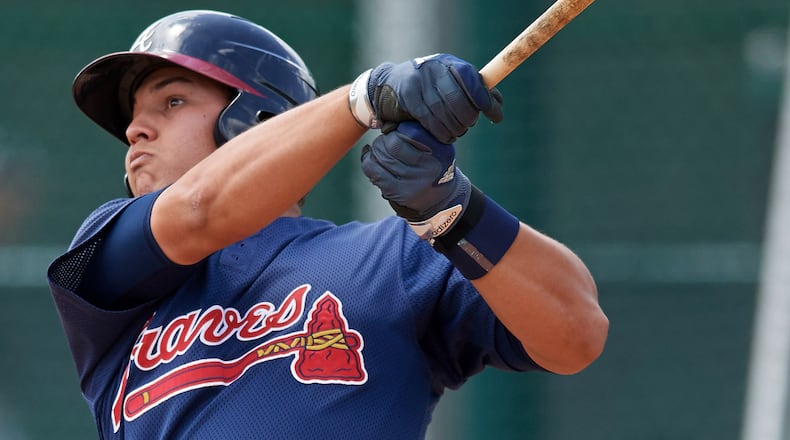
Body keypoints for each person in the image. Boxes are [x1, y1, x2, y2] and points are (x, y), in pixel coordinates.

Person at [47, 9, 608, 439]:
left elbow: (576, 333)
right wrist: (364, 98)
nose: (134, 132)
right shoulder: (106, 251)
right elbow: (199, 211)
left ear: (256, 119)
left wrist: (453, 210)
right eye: (134, 117)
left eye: (170, 102)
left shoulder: (396, 254)